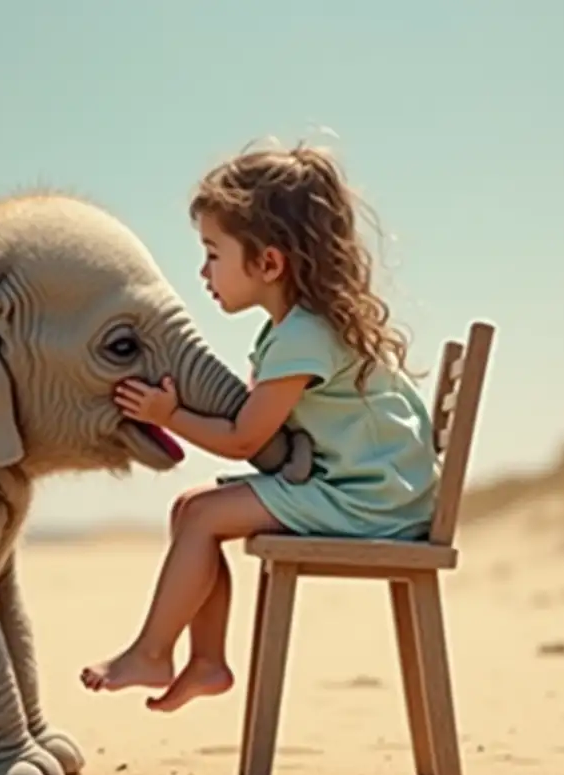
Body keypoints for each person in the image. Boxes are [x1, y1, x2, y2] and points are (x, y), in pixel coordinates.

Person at [80, 139, 440, 712]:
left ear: (269, 263)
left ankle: (153, 653)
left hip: (370, 502)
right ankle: (205, 661)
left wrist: (167, 415)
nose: (203, 270)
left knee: (200, 515)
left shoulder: (301, 337)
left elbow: (245, 440)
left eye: (213, 253)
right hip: (376, 490)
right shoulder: (301, 328)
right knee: (191, 512)